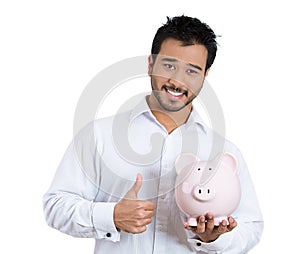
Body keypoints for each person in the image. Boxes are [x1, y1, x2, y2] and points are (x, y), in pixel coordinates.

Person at [43, 15, 263, 253]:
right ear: (150, 64)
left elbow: (251, 227)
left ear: (205, 75)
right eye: (169, 66)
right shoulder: (99, 135)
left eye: (192, 70)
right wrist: (112, 216)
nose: (177, 81)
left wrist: (213, 239)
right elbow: (55, 206)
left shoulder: (225, 151)